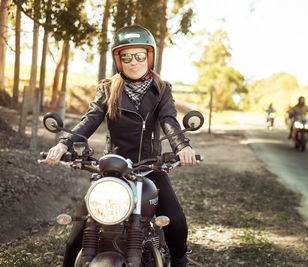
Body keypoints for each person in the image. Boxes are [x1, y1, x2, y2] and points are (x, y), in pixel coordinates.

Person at [44, 25, 195, 267]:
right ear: (118, 60)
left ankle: (179, 262)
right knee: (75, 239)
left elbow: (168, 120)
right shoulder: (108, 88)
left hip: (149, 168)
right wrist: (64, 145)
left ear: (150, 57)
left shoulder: (162, 89)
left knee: (176, 221)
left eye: (139, 56)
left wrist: (181, 147)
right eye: (126, 56)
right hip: (112, 171)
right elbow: (90, 119)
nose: (133, 62)